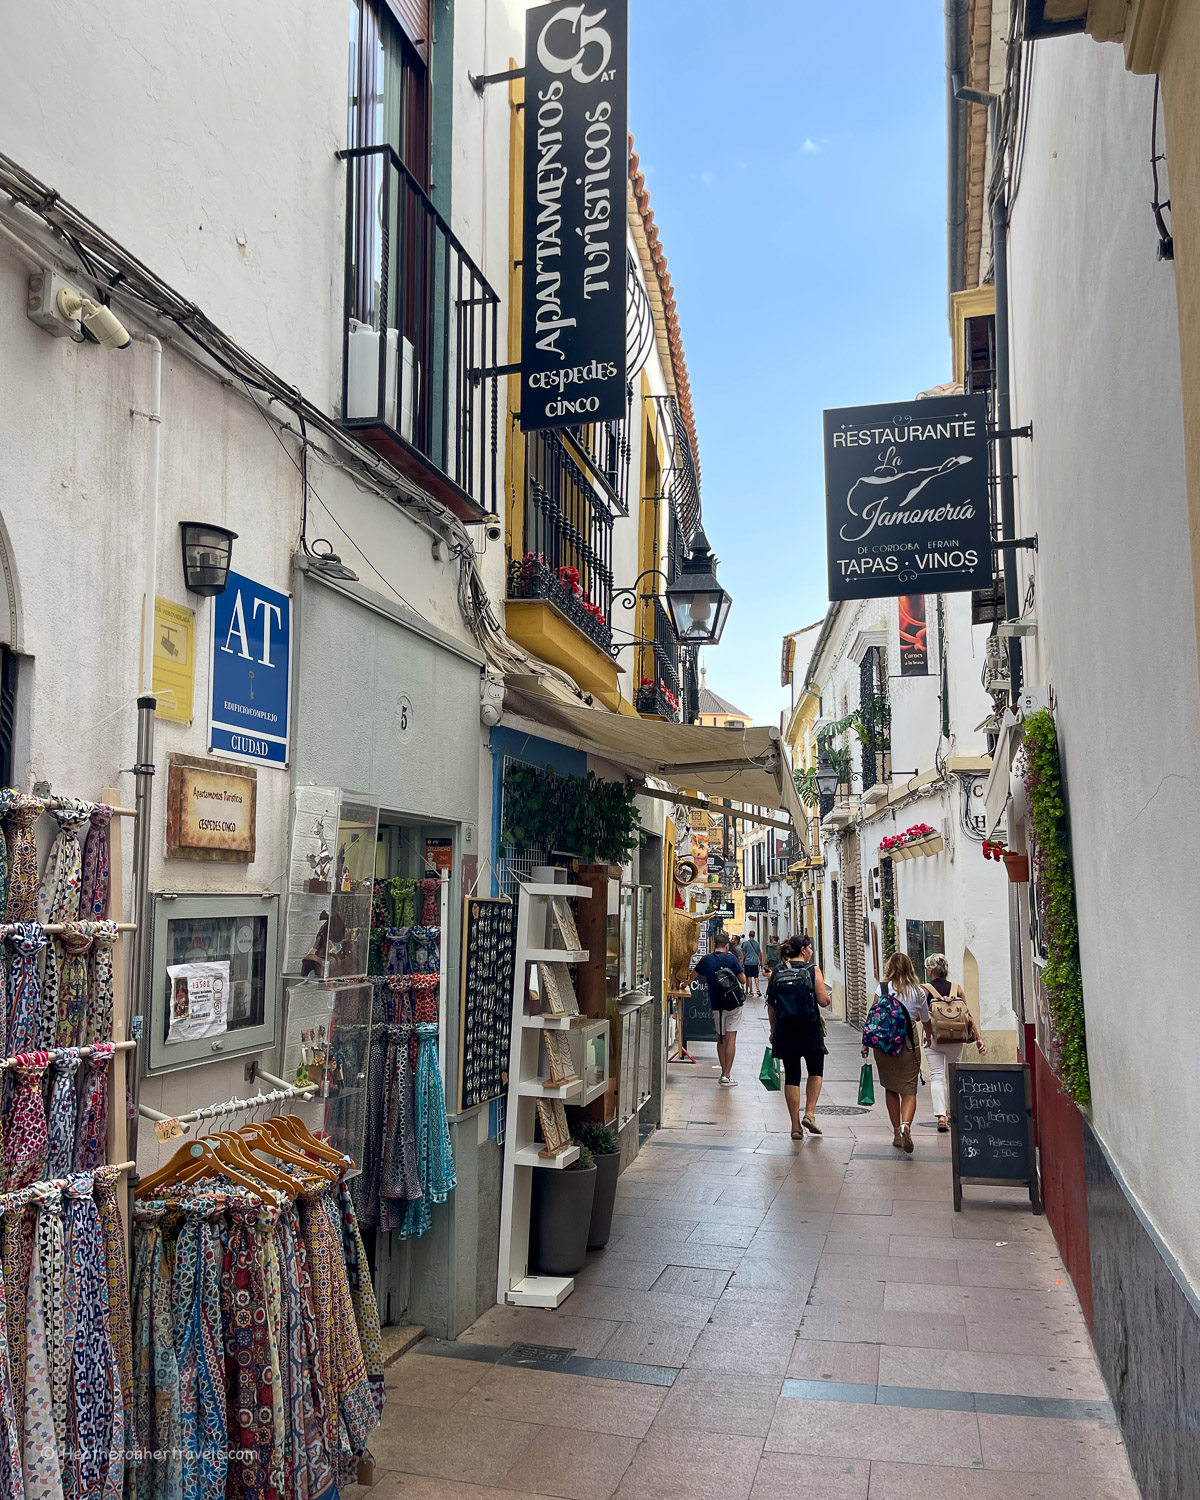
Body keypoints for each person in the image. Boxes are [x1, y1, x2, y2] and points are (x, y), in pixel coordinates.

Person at [861, 952, 931, 1154]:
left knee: (890, 1087)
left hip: (883, 1046)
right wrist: (928, 1036)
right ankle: (906, 1125)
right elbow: (925, 1019)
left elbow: (872, 1017)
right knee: (909, 1089)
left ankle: (895, 1133)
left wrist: (865, 1042)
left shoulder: (882, 989)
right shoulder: (917, 992)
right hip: (907, 1042)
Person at [766, 934, 831, 1139]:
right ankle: (809, 1113)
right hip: (809, 1028)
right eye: (810, 948)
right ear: (803, 951)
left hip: (786, 1029)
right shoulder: (812, 970)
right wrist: (827, 995)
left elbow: (771, 1005)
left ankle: (795, 1126)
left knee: (792, 1076)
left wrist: (773, 1030)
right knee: (815, 1071)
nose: (811, 951)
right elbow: (824, 1001)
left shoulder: (778, 971)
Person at [924, 953, 986, 1131]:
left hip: (935, 1040)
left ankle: (941, 1117)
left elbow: (922, 1017)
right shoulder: (957, 989)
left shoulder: (925, 990)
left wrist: (927, 1035)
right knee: (953, 1075)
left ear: (930, 970)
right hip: (956, 1039)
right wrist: (978, 1039)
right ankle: (953, 1113)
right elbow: (968, 1015)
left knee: (937, 1076)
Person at [689, 933, 746, 1087]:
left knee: (720, 1038)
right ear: (727, 946)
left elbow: (691, 977)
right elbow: (743, 980)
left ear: (714, 944)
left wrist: (682, 985)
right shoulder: (731, 958)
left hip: (716, 1006)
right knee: (731, 1039)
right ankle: (727, 1075)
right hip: (734, 1004)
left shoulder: (706, 959)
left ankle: (723, 1073)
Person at [741, 932, 763, 996]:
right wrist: (760, 961)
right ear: (754, 935)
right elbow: (759, 953)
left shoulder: (746, 943)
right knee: (756, 976)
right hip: (755, 962)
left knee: (749, 976)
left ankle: (751, 991)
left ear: (749, 935)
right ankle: (758, 989)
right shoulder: (757, 943)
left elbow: (744, 953)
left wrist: (742, 961)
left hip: (747, 962)